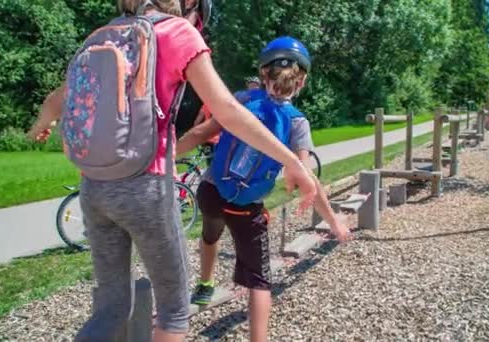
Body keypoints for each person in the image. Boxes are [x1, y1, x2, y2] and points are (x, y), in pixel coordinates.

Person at [27, 2, 317, 342]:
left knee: (111, 307)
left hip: (94, 189)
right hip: (145, 189)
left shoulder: (110, 32)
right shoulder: (178, 31)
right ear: (191, 5)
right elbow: (228, 111)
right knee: (174, 310)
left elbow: (56, 100)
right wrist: (295, 162)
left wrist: (40, 126)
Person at [177, 36, 349, 342]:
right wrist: (334, 222)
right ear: (302, 82)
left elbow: (202, 132)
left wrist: (164, 158)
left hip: (211, 193)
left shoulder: (241, 101)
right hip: (246, 208)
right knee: (259, 282)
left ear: (263, 74)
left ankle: (204, 284)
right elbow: (308, 179)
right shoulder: (297, 123)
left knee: (210, 233)